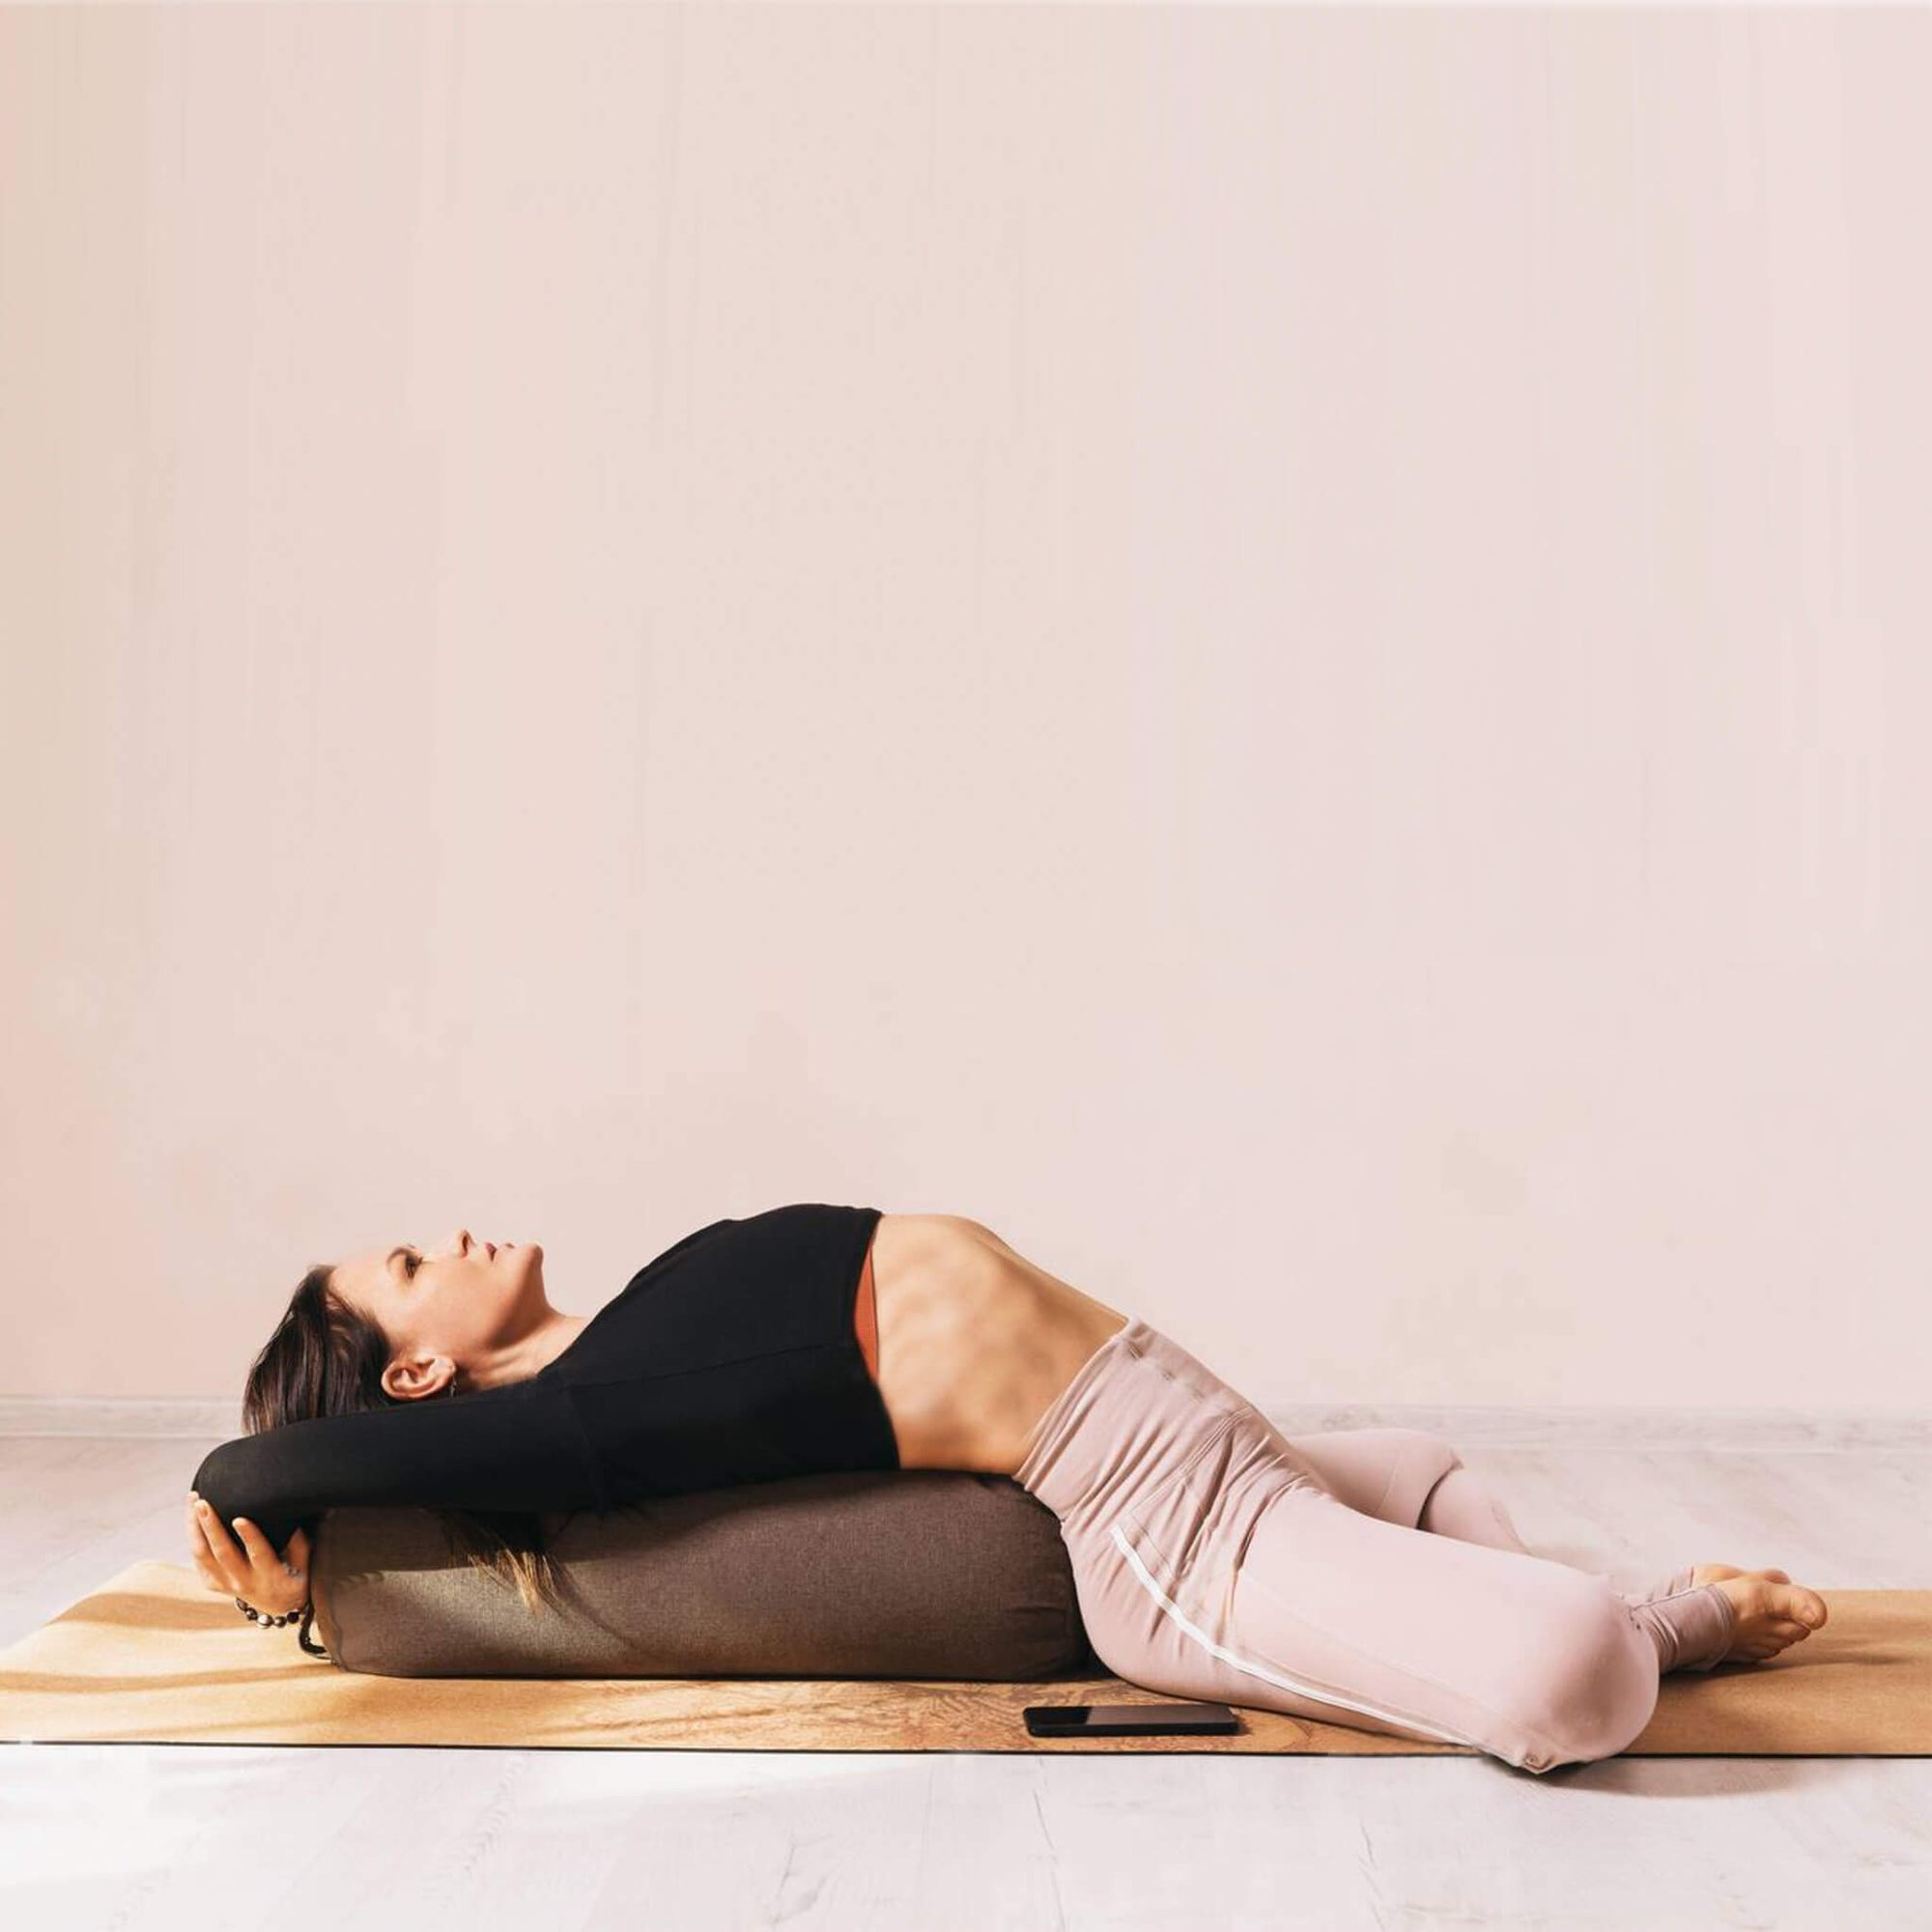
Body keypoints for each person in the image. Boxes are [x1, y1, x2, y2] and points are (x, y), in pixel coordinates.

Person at [186, 1206, 1828, 1773]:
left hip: (1181, 1405)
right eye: (411, 1263)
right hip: (1154, 1526)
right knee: (1582, 1676)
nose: (452, 1233)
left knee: (1416, 1466)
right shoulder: (587, 1422)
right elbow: (248, 1465)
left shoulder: (630, 1325)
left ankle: (1487, 1618)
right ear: (412, 1379)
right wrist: (301, 1579)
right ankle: (1646, 1634)